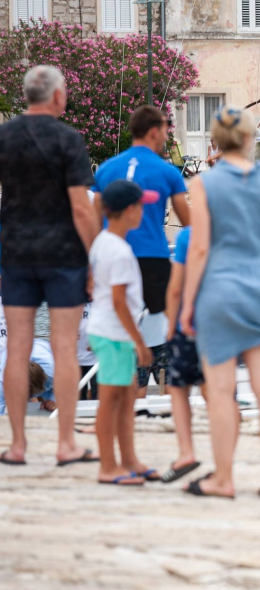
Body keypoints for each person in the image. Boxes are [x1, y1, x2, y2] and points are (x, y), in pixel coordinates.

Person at [180, 105, 260, 501]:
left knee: (221, 391)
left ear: (216, 141)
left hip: (220, 294)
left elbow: (198, 250)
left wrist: (188, 303)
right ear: (250, 140)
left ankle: (224, 478)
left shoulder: (204, 185)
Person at [0, 65, 99, 467]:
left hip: (16, 253)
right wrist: (94, 259)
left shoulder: (5, 136)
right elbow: (80, 206)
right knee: (63, 348)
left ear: (26, 96)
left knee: (17, 347)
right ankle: (64, 444)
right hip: (63, 256)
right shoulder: (68, 139)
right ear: (57, 97)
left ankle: (18, 444)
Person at [94, 105, 190, 399]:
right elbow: (188, 223)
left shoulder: (107, 168)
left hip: (111, 256)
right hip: (153, 258)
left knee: (120, 330)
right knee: (157, 339)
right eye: (165, 128)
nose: (166, 134)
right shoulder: (167, 170)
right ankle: (158, 401)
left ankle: (126, 400)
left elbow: (93, 217)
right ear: (153, 131)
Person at [87, 179, 158, 486]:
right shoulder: (118, 251)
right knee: (111, 402)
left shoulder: (104, 241)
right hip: (115, 335)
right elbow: (118, 301)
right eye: (142, 205)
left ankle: (128, 460)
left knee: (127, 398)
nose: (144, 210)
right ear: (130, 210)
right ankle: (108, 466)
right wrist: (141, 343)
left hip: (111, 332)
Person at [160, 225, 203, 484]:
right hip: (224, 327)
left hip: (189, 326)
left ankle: (186, 452)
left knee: (178, 389)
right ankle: (224, 468)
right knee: (220, 397)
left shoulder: (189, 235)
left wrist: (169, 326)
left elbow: (175, 288)